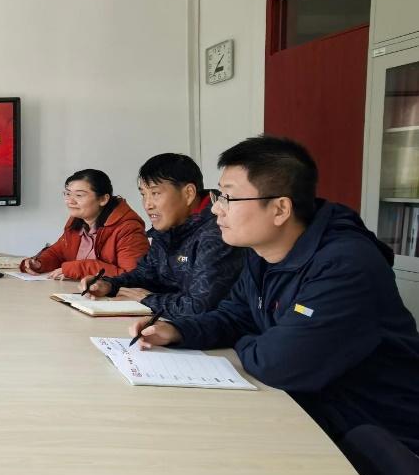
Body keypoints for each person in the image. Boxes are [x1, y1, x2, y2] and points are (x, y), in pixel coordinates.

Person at [131, 136, 419, 454]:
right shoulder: (263, 253)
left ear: (280, 208)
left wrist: (254, 340)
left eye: (229, 197)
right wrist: (178, 330)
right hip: (309, 414)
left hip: (380, 438)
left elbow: (279, 364)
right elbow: (234, 315)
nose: (215, 208)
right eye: (219, 195)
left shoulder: (346, 264)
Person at [82, 153, 243, 318]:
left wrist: (148, 300)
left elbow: (200, 307)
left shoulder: (218, 233)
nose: (147, 204)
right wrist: (109, 285)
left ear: (188, 193)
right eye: (143, 194)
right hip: (170, 323)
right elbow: (146, 275)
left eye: (155, 193)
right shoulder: (169, 226)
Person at [19, 169, 149, 280]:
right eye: (68, 193)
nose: (70, 201)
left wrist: (78, 268)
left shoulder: (128, 229)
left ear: (103, 199)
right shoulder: (77, 221)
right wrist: (39, 263)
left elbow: (134, 276)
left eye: (79, 195)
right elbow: (58, 253)